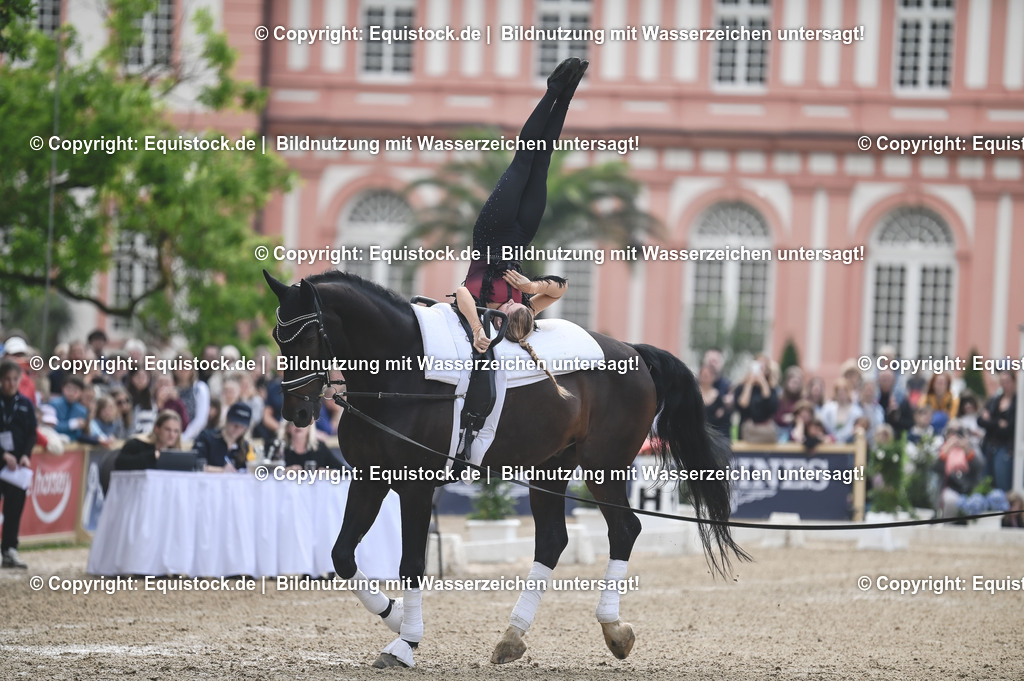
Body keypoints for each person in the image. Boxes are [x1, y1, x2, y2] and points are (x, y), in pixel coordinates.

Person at [453, 57, 589, 398]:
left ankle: (553, 90)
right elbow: (561, 288)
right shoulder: (526, 307)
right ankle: (568, 95)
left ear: (504, 319)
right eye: (523, 309)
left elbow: (460, 294)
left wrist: (475, 329)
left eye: (516, 309)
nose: (520, 304)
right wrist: (531, 284)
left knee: (525, 157)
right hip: (521, 235)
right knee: (542, 163)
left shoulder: (484, 304)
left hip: (491, 232)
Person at [0, 360, 38, 568]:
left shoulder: (25, 404)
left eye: (15, 379)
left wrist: (25, 455)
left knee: (14, 508)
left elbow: (31, 433)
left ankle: (9, 549)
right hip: (2, 460)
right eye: (6, 379)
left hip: (16, 466)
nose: (11, 383)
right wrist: (3, 454)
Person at [978, 370, 1017, 491]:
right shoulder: (995, 400)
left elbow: (1009, 429)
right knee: (985, 483)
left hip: (1005, 449)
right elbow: (980, 421)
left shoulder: (1017, 403)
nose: (1005, 385)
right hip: (989, 446)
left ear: (1014, 382)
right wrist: (998, 423)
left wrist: (991, 422)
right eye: (1002, 382)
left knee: (1002, 484)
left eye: (1007, 382)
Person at [113, 410, 183, 470]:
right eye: (167, 429)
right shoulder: (136, 444)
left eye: (176, 431)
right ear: (157, 429)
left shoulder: (176, 456)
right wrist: (152, 456)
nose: (172, 435)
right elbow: (120, 464)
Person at [193, 402, 254, 472]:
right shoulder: (206, 437)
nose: (237, 429)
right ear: (227, 419)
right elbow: (196, 465)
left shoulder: (245, 447)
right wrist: (222, 470)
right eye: (235, 424)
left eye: (242, 426)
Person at [733, 354, 779, 444]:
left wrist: (762, 382)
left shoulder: (772, 389)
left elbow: (770, 403)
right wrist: (749, 383)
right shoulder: (741, 388)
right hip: (746, 433)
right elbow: (742, 405)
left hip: (765, 434)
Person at [49, 375, 89, 442]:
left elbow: (77, 434)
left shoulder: (82, 411)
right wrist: (71, 425)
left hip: (71, 446)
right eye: (68, 388)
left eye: (75, 390)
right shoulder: (53, 404)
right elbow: (51, 427)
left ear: (81, 392)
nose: (71, 393)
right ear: (63, 388)